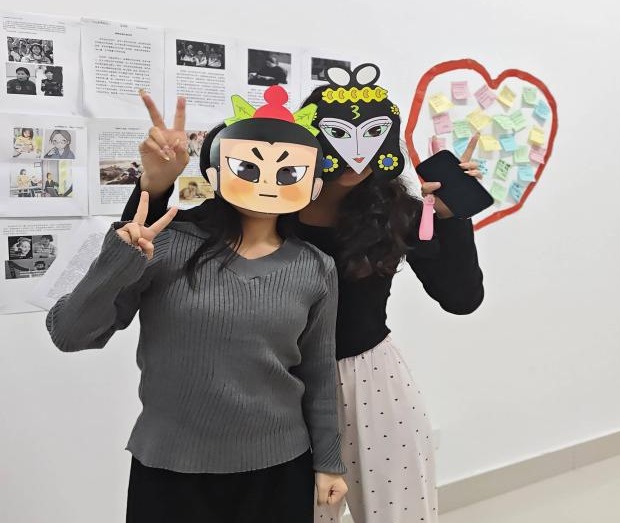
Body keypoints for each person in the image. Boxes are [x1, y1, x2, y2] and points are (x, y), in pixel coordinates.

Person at [126, 63, 484, 523]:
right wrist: (155, 186)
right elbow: (156, 238)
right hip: (278, 385)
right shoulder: (267, 201)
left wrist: (452, 216)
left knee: (400, 512)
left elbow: (461, 298)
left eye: (372, 134)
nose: (357, 152)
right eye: (339, 134)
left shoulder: (398, 211)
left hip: (369, 379)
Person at [47, 85, 348, 523]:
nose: (267, 183)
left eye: (288, 173)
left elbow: (318, 374)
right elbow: (69, 333)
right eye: (248, 167)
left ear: (313, 185)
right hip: (171, 469)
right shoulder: (166, 245)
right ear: (214, 171)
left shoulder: (316, 266)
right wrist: (121, 254)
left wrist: (329, 461)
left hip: (280, 468)